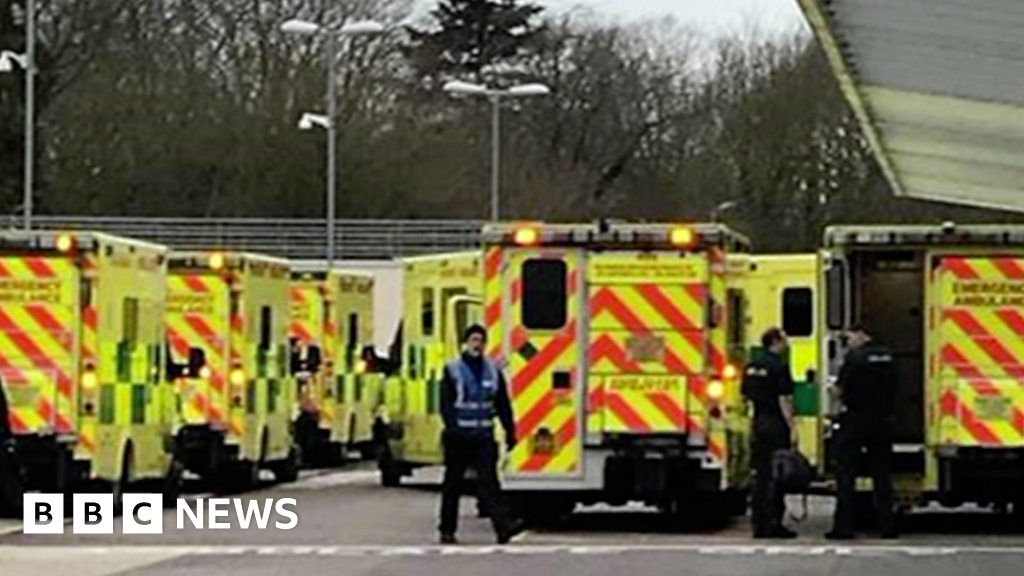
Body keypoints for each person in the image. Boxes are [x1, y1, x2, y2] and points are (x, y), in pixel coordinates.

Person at [438, 324, 517, 545]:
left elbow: (502, 403)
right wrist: (452, 428)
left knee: (490, 483)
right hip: (459, 437)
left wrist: (510, 431)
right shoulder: (452, 369)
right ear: (465, 343)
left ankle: (503, 528)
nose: (477, 344)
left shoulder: (493, 370)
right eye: (473, 340)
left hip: (483, 436)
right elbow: (445, 404)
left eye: (481, 340)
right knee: (453, 484)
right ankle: (447, 529)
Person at [827, 323, 898, 540]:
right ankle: (888, 526)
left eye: (849, 337)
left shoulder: (854, 359)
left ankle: (844, 527)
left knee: (846, 476)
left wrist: (832, 395)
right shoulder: (888, 356)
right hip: (882, 421)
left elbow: (840, 390)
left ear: (862, 334)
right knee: (882, 476)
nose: (847, 342)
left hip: (856, 421)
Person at [742, 327, 798, 539]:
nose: (786, 344)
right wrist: (792, 427)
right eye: (784, 340)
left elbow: (746, 397)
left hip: (759, 423)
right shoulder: (778, 366)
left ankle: (759, 523)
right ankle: (774, 523)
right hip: (775, 424)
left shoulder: (752, 366)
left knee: (760, 476)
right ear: (775, 341)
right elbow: (784, 399)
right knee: (777, 476)